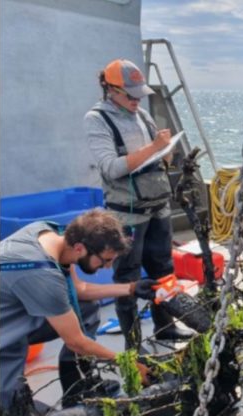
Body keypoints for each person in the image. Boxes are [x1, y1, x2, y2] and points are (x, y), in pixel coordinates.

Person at [0, 209, 156, 415]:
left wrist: (132, 288)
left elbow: (79, 290)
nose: (108, 267)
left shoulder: (52, 235)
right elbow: (76, 342)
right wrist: (128, 364)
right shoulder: (43, 274)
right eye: (105, 260)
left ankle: (75, 388)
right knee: (12, 410)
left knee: (85, 308)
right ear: (80, 248)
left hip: (15, 304)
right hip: (6, 328)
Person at [83, 58, 193, 348]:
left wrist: (165, 153)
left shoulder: (142, 115)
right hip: (127, 215)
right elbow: (111, 168)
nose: (136, 100)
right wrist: (153, 148)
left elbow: (154, 155)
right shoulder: (97, 119)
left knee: (164, 270)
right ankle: (133, 342)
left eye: (139, 95)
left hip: (157, 206)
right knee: (128, 278)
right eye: (130, 95)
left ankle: (165, 325)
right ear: (111, 90)